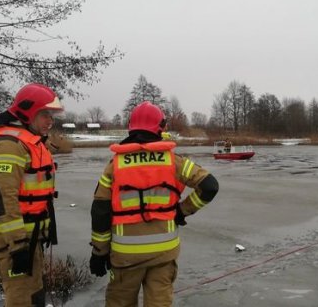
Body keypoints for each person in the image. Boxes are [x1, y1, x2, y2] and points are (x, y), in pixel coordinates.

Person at [89, 101, 220, 307]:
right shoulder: (173, 161)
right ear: (161, 128)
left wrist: (99, 252)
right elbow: (210, 186)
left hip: (125, 257)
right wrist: (182, 211)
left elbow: (100, 211)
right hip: (163, 254)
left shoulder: (115, 165)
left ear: (131, 127)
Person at [0, 83, 63, 306]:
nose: (50, 121)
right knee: (20, 298)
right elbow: (4, 198)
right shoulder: (8, 146)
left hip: (29, 237)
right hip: (13, 241)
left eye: (51, 115)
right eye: (44, 115)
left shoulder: (29, 142)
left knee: (34, 293)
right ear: (28, 113)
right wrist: (18, 245)